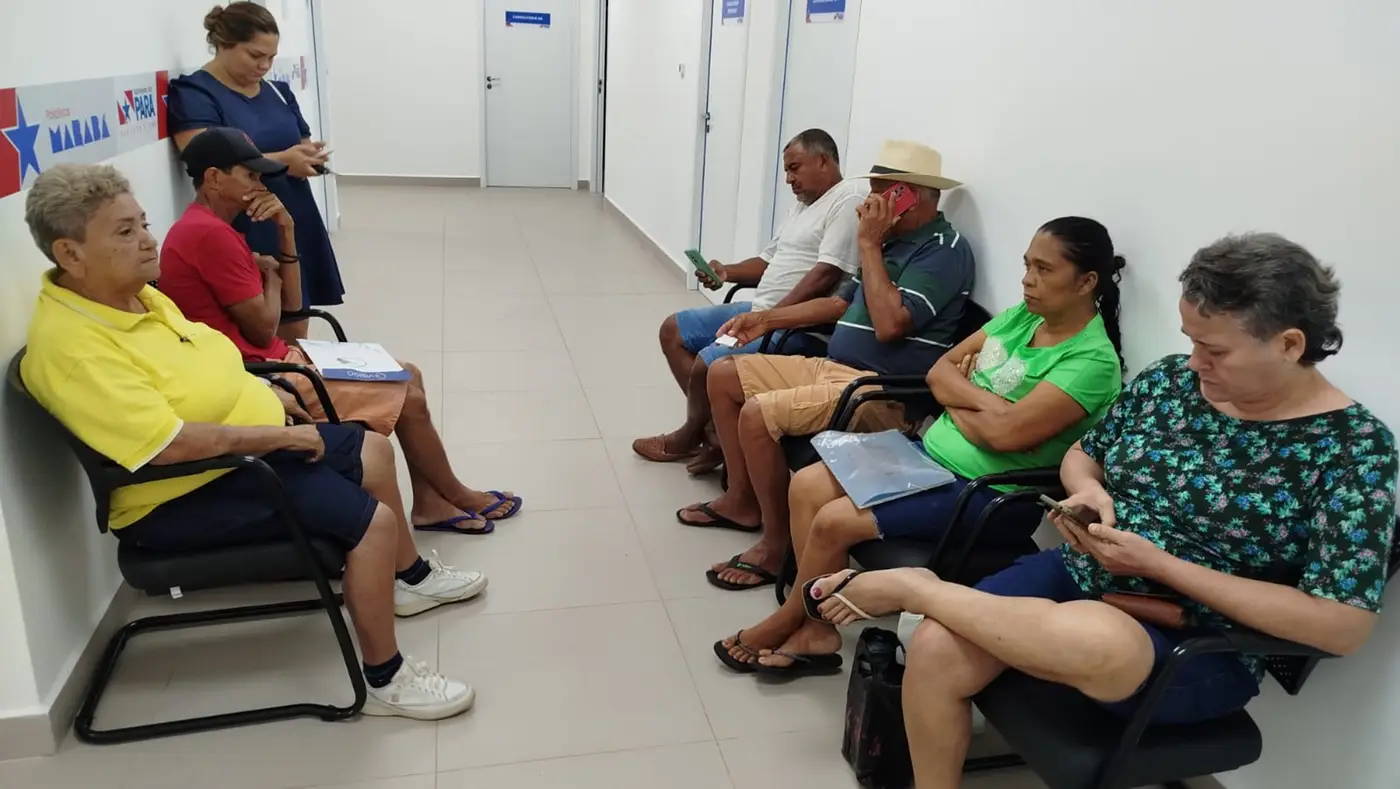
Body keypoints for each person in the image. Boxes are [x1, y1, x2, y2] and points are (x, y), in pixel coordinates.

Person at [807, 233, 1397, 789]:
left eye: (1214, 350)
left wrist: (1160, 565)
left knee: (1101, 635)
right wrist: (1089, 491)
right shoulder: (1171, 383)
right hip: (1087, 570)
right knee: (936, 648)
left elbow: (1340, 625)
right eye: (1191, 341)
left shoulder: (1354, 451)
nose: (1194, 362)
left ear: (1290, 345)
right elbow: (1083, 455)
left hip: (1198, 635)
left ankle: (921, 590)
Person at [19, 164, 497, 720]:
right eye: (125, 232)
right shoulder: (75, 349)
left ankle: (406, 580)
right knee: (374, 524)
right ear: (70, 253)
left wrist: (266, 394)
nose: (149, 239)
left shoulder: (136, 297)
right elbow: (169, 446)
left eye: (143, 223)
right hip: (184, 492)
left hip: (240, 455)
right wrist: (279, 438)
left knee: (372, 450)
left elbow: (203, 362)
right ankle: (386, 679)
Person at [714, 217, 1127, 673]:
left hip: (987, 491)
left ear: (1086, 282)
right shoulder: (1023, 317)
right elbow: (938, 373)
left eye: (1044, 270)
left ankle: (791, 619)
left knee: (833, 520)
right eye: (1027, 265)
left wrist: (962, 398)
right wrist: (986, 404)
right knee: (808, 484)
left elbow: (1006, 436)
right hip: (930, 456)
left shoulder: (1091, 361)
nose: (1028, 279)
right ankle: (817, 629)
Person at [157, 128, 520, 533]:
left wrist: (286, 231)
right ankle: (458, 494)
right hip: (261, 373)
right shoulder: (208, 234)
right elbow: (263, 332)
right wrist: (271, 278)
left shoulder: (214, 228)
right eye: (250, 176)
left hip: (278, 357)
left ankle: (431, 504)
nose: (260, 186)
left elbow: (294, 315)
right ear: (213, 178)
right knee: (410, 397)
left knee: (409, 374)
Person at [678, 140, 975, 591]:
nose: (867, 204)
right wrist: (766, 318)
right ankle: (742, 501)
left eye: (880, 192)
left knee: (758, 413)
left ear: (908, 196)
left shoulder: (944, 251)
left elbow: (891, 325)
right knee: (723, 374)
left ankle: (776, 546)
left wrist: (869, 245)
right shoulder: (890, 242)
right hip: (833, 366)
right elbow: (839, 304)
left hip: (877, 391)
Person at [634, 129, 864, 475]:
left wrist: (769, 318)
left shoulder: (846, 199)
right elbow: (768, 260)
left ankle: (689, 436)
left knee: (708, 363)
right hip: (760, 310)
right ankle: (715, 437)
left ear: (822, 161)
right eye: (786, 171)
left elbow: (826, 274)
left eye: (795, 168)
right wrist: (726, 272)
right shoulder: (801, 207)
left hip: (793, 324)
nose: (788, 179)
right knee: (673, 330)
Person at [167, 2, 344, 317]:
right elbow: (200, 156)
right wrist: (283, 161)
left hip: (291, 212)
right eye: (255, 55)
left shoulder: (278, 91)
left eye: (271, 57)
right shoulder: (195, 93)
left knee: (297, 319)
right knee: (261, 324)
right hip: (244, 219)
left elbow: (300, 143)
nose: (264, 65)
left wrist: (307, 157)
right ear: (223, 44)